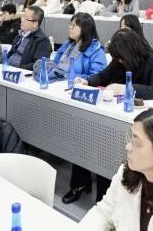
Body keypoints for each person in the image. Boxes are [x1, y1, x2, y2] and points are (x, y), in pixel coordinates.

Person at [57, 13, 108, 205]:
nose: (69, 28)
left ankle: (79, 183)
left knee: (80, 137)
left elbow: (98, 77)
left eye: (74, 25)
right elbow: (56, 64)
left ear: (84, 29)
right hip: (61, 91)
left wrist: (79, 80)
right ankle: (82, 181)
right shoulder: (68, 45)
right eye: (69, 24)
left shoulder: (96, 50)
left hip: (82, 100)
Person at [78, 28, 153, 100]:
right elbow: (103, 77)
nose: (120, 61)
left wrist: (126, 88)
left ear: (131, 52)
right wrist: (87, 81)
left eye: (121, 58)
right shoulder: (119, 60)